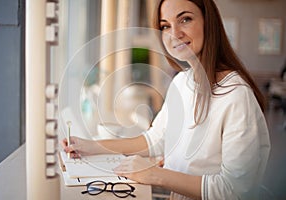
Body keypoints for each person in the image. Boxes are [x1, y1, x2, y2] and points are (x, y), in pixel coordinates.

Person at [61, 0, 271, 199]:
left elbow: (233, 191)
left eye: (185, 19)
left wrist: (154, 175)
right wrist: (92, 146)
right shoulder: (182, 82)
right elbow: (154, 140)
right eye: (165, 26)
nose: (175, 34)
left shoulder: (236, 95)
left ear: (209, 22)